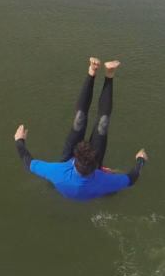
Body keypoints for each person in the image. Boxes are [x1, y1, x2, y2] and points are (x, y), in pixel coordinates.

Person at [14, 58, 147, 201]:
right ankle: (109, 74)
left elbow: (28, 163)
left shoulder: (59, 173)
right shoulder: (103, 181)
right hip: (94, 177)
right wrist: (140, 160)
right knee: (102, 123)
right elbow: (132, 178)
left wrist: (19, 141)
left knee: (79, 119)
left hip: (68, 168)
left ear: (74, 160)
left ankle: (92, 71)